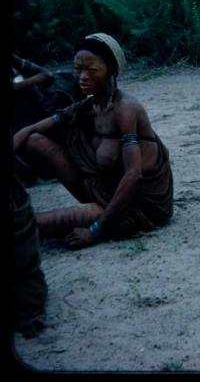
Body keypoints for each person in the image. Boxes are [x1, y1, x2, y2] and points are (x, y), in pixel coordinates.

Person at [13, 33, 174, 250]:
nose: (82, 76)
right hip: (99, 189)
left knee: (27, 224)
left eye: (92, 70)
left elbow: (133, 174)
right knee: (33, 141)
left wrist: (96, 230)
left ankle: (100, 217)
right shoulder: (88, 107)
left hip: (136, 204)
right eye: (78, 69)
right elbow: (31, 129)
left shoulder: (125, 109)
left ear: (111, 70)